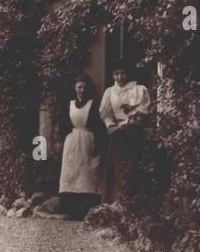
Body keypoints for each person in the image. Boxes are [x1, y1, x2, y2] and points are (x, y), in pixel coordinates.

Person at [99, 62, 151, 204]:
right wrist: (111, 126)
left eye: (123, 73)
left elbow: (140, 111)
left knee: (131, 167)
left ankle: (130, 203)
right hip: (116, 133)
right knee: (115, 168)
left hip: (132, 131)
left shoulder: (137, 89)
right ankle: (113, 203)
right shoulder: (110, 92)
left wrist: (126, 124)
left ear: (128, 74)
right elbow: (106, 113)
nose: (120, 77)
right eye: (116, 74)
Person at [58, 75, 106, 220]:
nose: (82, 90)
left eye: (84, 87)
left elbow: (99, 125)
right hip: (72, 142)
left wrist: (97, 144)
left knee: (87, 176)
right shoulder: (70, 104)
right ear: (75, 88)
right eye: (79, 87)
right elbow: (64, 123)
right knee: (70, 174)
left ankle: (86, 211)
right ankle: (70, 210)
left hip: (88, 140)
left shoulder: (92, 104)